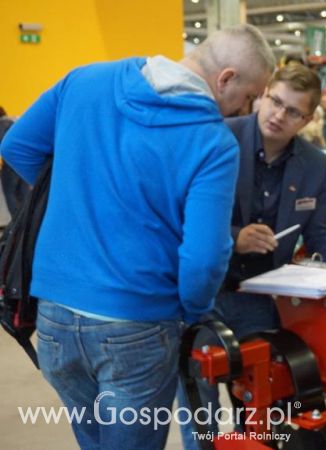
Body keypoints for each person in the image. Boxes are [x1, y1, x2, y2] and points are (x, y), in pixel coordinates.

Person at [0, 25, 274, 450]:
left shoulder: (84, 80)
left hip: (53, 315)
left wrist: (75, 201)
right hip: (138, 325)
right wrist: (194, 310)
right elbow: (203, 259)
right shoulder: (213, 143)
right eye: (248, 96)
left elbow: (18, 145)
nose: (245, 108)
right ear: (226, 79)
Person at [179, 64, 326, 449]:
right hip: (203, 294)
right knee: (201, 410)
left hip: (261, 302)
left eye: (293, 111)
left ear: (308, 118)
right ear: (264, 94)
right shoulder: (220, 138)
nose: (279, 115)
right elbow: (179, 213)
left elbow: (318, 231)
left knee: (264, 401)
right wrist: (234, 238)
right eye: (275, 102)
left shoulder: (314, 163)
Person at [0, 106, 28, 219]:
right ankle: (27, 222)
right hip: (23, 162)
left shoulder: (2, 125)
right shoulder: (15, 121)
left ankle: (17, 224)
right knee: (24, 193)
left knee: (10, 194)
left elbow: (5, 145)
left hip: (10, 164)